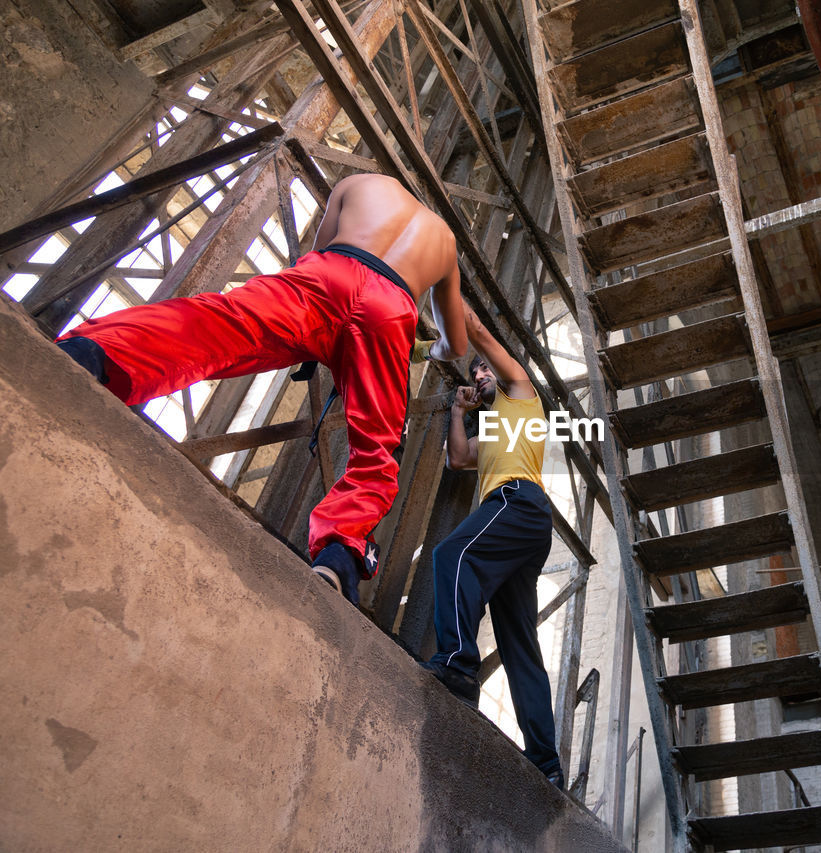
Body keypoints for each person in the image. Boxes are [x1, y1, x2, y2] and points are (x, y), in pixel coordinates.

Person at [55, 173, 467, 606]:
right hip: (392, 312)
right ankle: (339, 556)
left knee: (218, 324)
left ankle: (95, 354)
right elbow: (455, 346)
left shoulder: (361, 182)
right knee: (377, 449)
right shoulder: (444, 241)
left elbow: (315, 254)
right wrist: (418, 352)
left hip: (329, 274)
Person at [421, 303, 563, 790]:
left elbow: (478, 330)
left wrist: (448, 293)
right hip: (522, 529)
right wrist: (458, 410)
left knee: (451, 555)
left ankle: (458, 666)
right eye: (475, 373)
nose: (478, 374)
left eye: (482, 370)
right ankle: (547, 764)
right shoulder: (496, 429)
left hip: (519, 502)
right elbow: (458, 457)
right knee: (519, 643)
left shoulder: (522, 395)